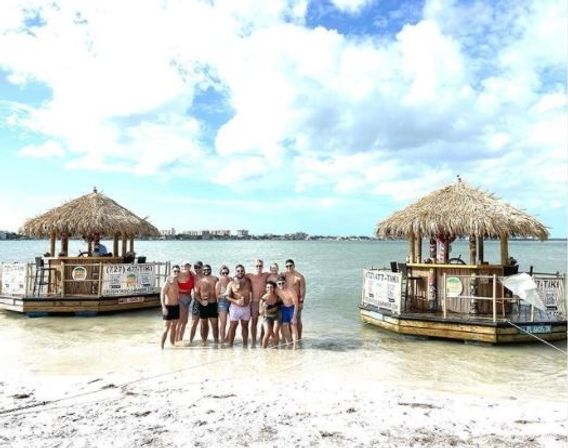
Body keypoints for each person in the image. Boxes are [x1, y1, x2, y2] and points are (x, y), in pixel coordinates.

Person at [226, 264, 252, 347]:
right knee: (233, 326)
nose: (240, 272)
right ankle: (230, 346)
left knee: (245, 326)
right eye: (238, 271)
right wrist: (236, 301)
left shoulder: (248, 281)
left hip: (246, 307)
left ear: (244, 271)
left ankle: (245, 346)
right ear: (235, 272)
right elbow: (227, 296)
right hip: (235, 308)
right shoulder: (231, 283)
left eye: (241, 271)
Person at [246, 259, 270, 348]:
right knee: (254, 322)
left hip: (264, 302)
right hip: (254, 302)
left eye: (260, 266)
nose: (258, 267)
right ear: (254, 267)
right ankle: (253, 340)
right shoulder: (250, 276)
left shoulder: (266, 275)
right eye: (257, 266)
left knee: (264, 322)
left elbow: (276, 276)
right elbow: (238, 277)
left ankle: (262, 339)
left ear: (262, 266)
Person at [194, 264, 219, 344]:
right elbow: (196, 294)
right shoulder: (199, 282)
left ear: (211, 270)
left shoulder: (215, 279)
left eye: (208, 269)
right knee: (204, 325)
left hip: (213, 304)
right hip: (203, 305)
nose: (206, 271)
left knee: (215, 325)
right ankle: (204, 341)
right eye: (204, 269)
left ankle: (216, 341)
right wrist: (201, 301)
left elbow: (221, 288)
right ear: (202, 271)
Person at [284, 259, 306, 339]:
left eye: (290, 265)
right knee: (289, 321)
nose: (289, 267)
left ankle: (299, 338)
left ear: (294, 266)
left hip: (296, 302)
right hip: (287, 302)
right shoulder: (284, 275)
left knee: (297, 320)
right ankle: (291, 338)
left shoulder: (299, 277)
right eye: (287, 266)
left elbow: (303, 289)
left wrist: (301, 301)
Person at [160, 265, 180, 349]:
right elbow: (162, 294)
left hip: (176, 307)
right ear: (172, 271)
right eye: (174, 271)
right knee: (166, 328)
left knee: (174, 327)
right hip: (168, 307)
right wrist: (163, 307)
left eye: (178, 271)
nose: (176, 273)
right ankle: (162, 347)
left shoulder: (178, 281)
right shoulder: (168, 282)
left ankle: (173, 345)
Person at [275, 275, 299, 347]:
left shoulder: (291, 291)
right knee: (284, 327)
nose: (281, 285)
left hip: (292, 308)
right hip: (284, 309)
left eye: (283, 283)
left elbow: (296, 304)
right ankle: (289, 344)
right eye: (279, 283)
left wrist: (294, 316)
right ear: (277, 284)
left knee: (293, 326)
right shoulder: (277, 290)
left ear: (285, 283)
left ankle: (295, 346)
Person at [176, 262, 195, 342]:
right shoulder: (177, 274)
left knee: (185, 321)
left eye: (187, 265)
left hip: (188, 298)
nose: (185, 267)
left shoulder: (192, 274)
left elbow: (195, 285)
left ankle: (180, 339)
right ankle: (175, 339)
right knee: (180, 321)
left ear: (190, 267)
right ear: (181, 266)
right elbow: (171, 286)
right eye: (183, 265)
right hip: (180, 298)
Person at [260, 281, 281, 348]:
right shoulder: (263, 299)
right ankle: (263, 349)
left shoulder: (278, 297)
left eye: (271, 287)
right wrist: (264, 308)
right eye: (268, 287)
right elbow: (260, 312)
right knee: (267, 333)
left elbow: (281, 305)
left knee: (275, 332)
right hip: (266, 317)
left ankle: (276, 348)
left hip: (276, 316)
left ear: (274, 288)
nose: (269, 289)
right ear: (266, 288)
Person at [188, 261, 204, 344]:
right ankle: (190, 341)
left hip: (205, 301)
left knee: (203, 324)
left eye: (199, 267)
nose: (197, 269)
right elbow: (184, 271)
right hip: (197, 302)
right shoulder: (193, 276)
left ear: (202, 267)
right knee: (194, 323)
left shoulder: (206, 276)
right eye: (195, 267)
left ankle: (203, 341)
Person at [215, 265, 231, 344]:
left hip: (231, 302)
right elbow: (217, 295)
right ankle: (222, 340)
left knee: (233, 322)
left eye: (226, 273)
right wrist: (225, 294)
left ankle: (227, 337)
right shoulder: (218, 283)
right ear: (220, 273)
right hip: (222, 302)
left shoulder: (231, 280)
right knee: (223, 323)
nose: (225, 274)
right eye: (223, 273)